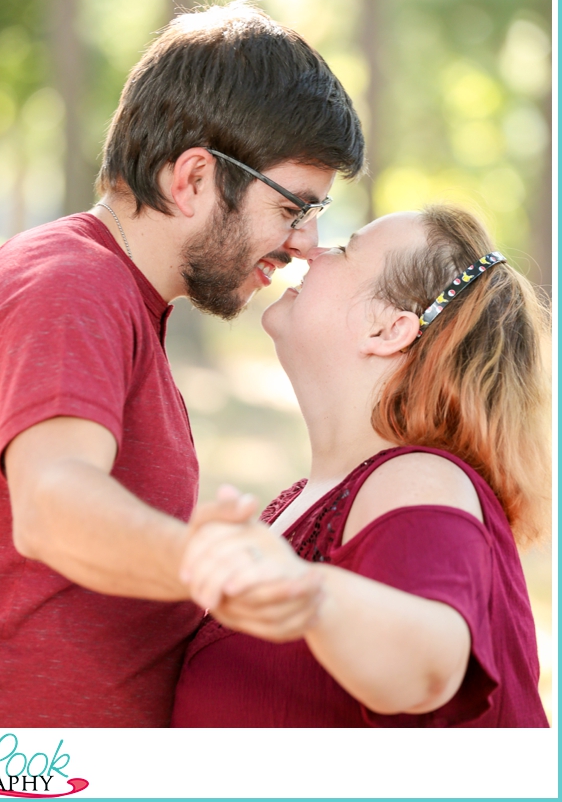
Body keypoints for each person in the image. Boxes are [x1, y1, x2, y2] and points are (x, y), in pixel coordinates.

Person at [0, 0, 366, 727]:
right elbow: (52, 503)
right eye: (294, 208)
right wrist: (211, 561)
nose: (306, 242)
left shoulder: (124, 299)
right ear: (193, 179)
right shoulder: (69, 281)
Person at [173, 206, 550, 726]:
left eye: (346, 249)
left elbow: (426, 668)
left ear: (388, 329)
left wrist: (301, 591)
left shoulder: (419, 480)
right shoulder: (313, 495)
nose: (312, 250)